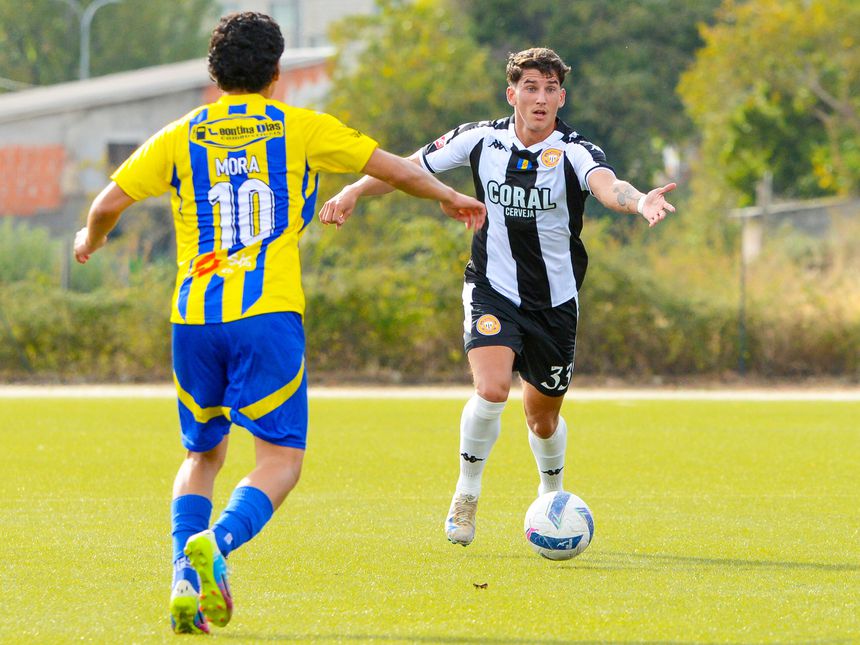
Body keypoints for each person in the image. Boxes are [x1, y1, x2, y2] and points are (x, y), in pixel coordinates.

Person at [73, 11, 484, 635]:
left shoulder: (179, 135)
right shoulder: (299, 127)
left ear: (214, 74)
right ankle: (217, 544)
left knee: (202, 453)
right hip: (266, 316)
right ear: (276, 74)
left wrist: (90, 238)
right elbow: (393, 168)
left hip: (193, 318)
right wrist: (449, 196)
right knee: (281, 461)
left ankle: (183, 574)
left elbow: (107, 205)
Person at [318, 47, 675, 547]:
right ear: (512, 94)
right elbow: (407, 168)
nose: (541, 98)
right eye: (531, 87)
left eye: (551, 89)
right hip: (492, 287)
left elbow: (606, 185)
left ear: (561, 97)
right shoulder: (479, 138)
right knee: (491, 389)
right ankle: (466, 494)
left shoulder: (574, 150)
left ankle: (552, 498)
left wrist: (638, 201)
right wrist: (354, 191)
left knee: (542, 418)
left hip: (555, 302)